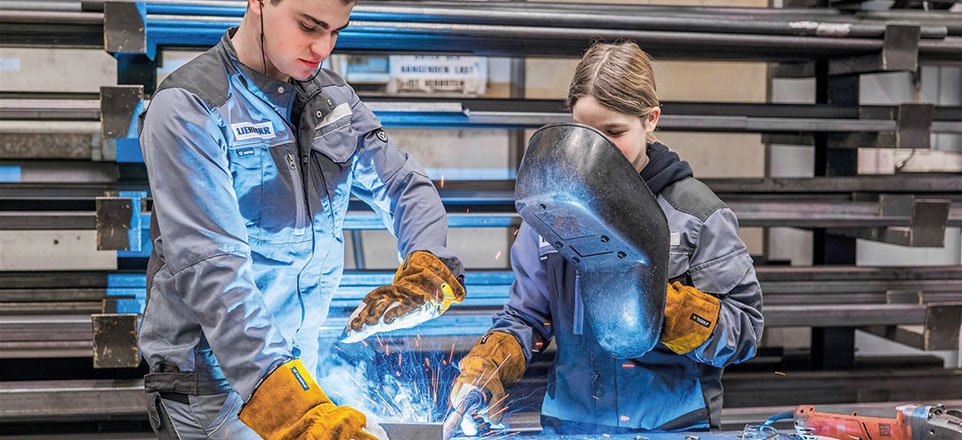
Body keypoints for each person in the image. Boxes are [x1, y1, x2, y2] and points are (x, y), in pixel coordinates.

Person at [138, 0, 466, 438]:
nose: (324, 48)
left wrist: (426, 264)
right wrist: (300, 413)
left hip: (298, 373)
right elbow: (214, 274)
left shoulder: (333, 99)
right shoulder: (190, 108)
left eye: (336, 31)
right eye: (309, 26)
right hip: (217, 391)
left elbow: (403, 184)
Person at [449, 41, 764, 434]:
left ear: (650, 120)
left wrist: (676, 314)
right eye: (585, 131)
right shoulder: (550, 212)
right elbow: (526, 317)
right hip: (572, 425)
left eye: (614, 132)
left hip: (672, 427)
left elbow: (745, 330)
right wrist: (489, 366)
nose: (597, 149)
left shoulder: (696, 215)